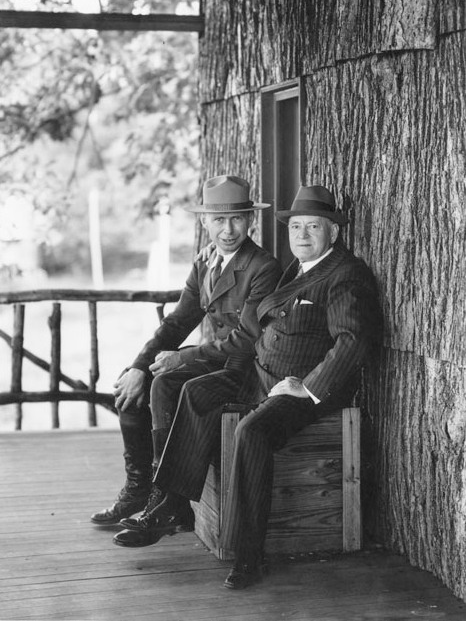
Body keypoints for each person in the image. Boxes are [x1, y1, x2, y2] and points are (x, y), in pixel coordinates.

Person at [112, 184, 381, 592]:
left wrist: (308, 388)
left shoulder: (344, 274)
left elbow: (352, 341)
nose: (303, 236)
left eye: (313, 227)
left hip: (298, 389)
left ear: (334, 232)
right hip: (261, 373)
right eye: (296, 227)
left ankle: (248, 553)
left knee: (250, 432)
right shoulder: (299, 267)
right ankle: (172, 502)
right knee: (195, 392)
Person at [90, 175, 282, 527]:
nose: (228, 230)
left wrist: (181, 358)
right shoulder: (205, 261)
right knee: (132, 384)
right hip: (213, 358)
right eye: (219, 220)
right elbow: (178, 323)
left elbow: (248, 338)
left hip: (243, 366)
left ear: (250, 220)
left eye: (237, 218)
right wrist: (138, 366)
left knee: (165, 382)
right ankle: (139, 489)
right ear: (205, 221)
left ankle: (167, 500)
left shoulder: (262, 267)